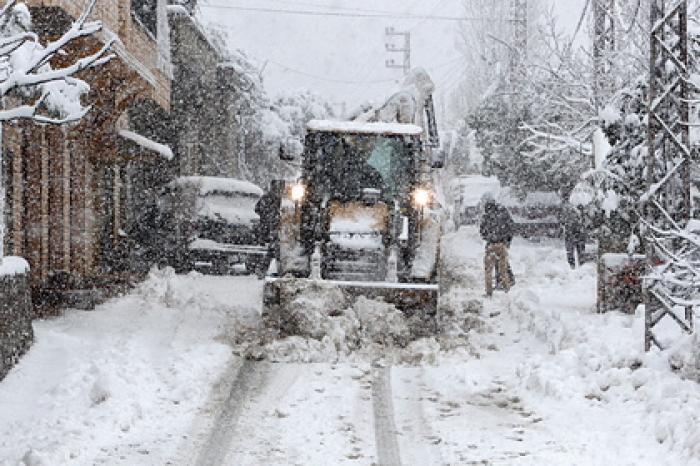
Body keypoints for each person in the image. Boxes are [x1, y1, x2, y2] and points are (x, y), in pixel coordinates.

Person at [479, 194, 514, 297]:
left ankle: (489, 291)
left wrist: (489, 237)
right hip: (502, 244)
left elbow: (482, 231)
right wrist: (507, 241)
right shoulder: (503, 212)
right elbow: (511, 227)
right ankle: (506, 287)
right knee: (503, 268)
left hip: (491, 245)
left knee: (488, 271)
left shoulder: (486, 216)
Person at [560, 202, 586, 269]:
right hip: (575, 233)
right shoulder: (568, 208)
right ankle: (575, 267)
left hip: (573, 234)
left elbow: (562, 221)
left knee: (573, 253)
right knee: (577, 253)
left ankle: (574, 266)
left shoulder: (567, 208)